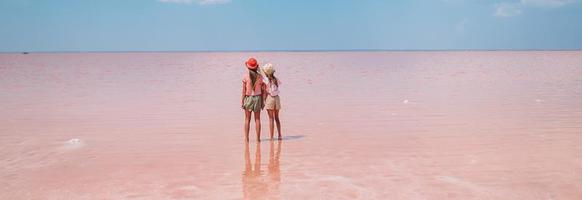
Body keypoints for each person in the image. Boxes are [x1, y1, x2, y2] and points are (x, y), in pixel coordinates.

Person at [241, 58, 266, 142]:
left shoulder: (245, 76)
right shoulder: (260, 77)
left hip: (248, 98)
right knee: (257, 119)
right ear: (256, 67)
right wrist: (263, 101)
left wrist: (242, 101)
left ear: (248, 67)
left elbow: (244, 91)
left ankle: (246, 138)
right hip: (258, 98)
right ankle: (258, 139)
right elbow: (263, 90)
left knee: (247, 119)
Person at [261, 63, 282, 140]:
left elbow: (265, 92)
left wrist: (263, 101)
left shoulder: (265, 81)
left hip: (270, 98)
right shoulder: (276, 79)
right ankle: (279, 135)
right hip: (277, 98)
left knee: (271, 119)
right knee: (277, 118)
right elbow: (276, 87)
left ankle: (272, 137)